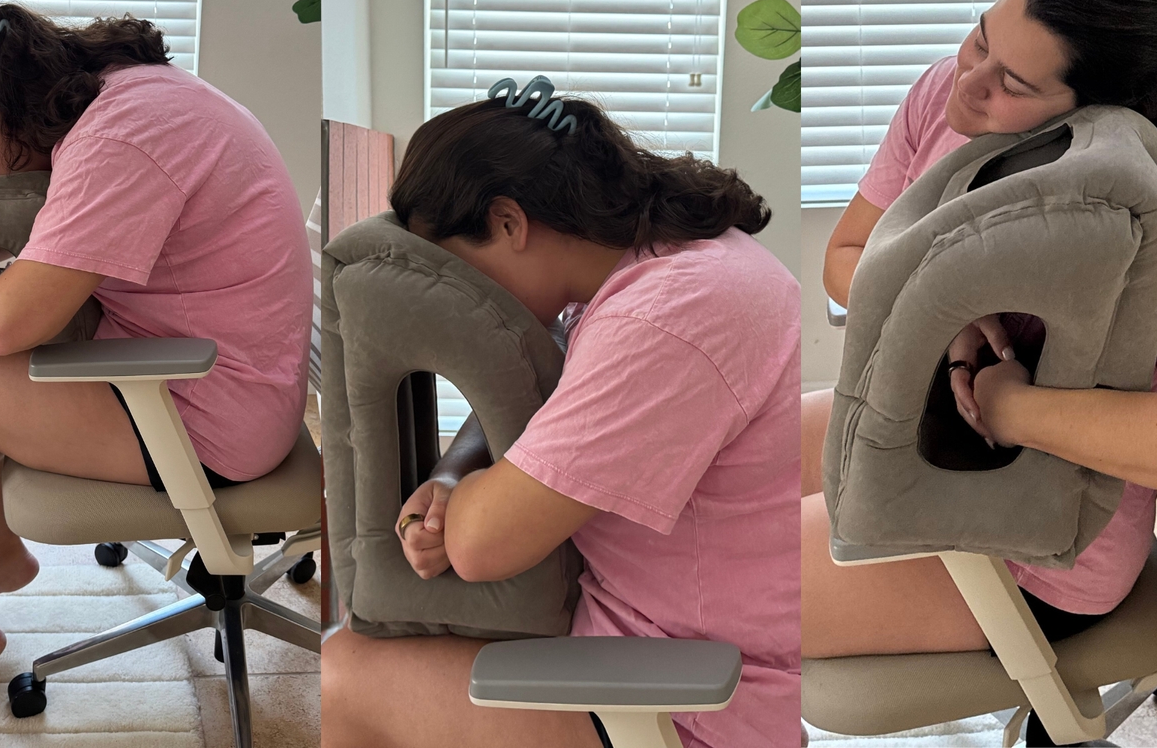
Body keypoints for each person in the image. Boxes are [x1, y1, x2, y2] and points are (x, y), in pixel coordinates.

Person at [804, 0, 1157, 660]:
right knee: (713, 477)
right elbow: (848, 256)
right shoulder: (945, 95)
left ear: (1098, 110)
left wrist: (1011, 410)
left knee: (715, 584)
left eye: (1014, 83)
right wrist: (948, 312)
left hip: (1038, 549)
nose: (969, 84)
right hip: (919, 413)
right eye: (980, 41)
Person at [319, 79, 801, 748]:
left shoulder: (663, 321)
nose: (466, 299)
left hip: (690, 701)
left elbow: (479, 548)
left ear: (508, 223)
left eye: (458, 274)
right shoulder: (663, 266)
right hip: (667, 643)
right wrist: (455, 476)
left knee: (341, 671)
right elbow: (543, 402)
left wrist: (466, 505)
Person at [0, 2, 311, 698]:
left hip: (207, 409)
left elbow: (7, 325)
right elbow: (60, 216)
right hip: (238, 373)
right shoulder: (127, 93)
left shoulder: (117, 140)